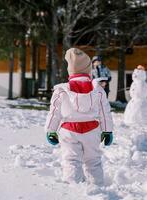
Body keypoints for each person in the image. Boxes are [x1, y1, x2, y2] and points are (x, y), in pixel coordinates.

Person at [44, 48, 113, 195]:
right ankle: (98, 190)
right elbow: (104, 111)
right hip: (92, 130)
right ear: (88, 70)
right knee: (93, 161)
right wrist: (107, 130)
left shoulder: (61, 90)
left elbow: (54, 112)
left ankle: (72, 191)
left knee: (71, 160)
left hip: (69, 131)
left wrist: (51, 130)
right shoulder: (98, 90)